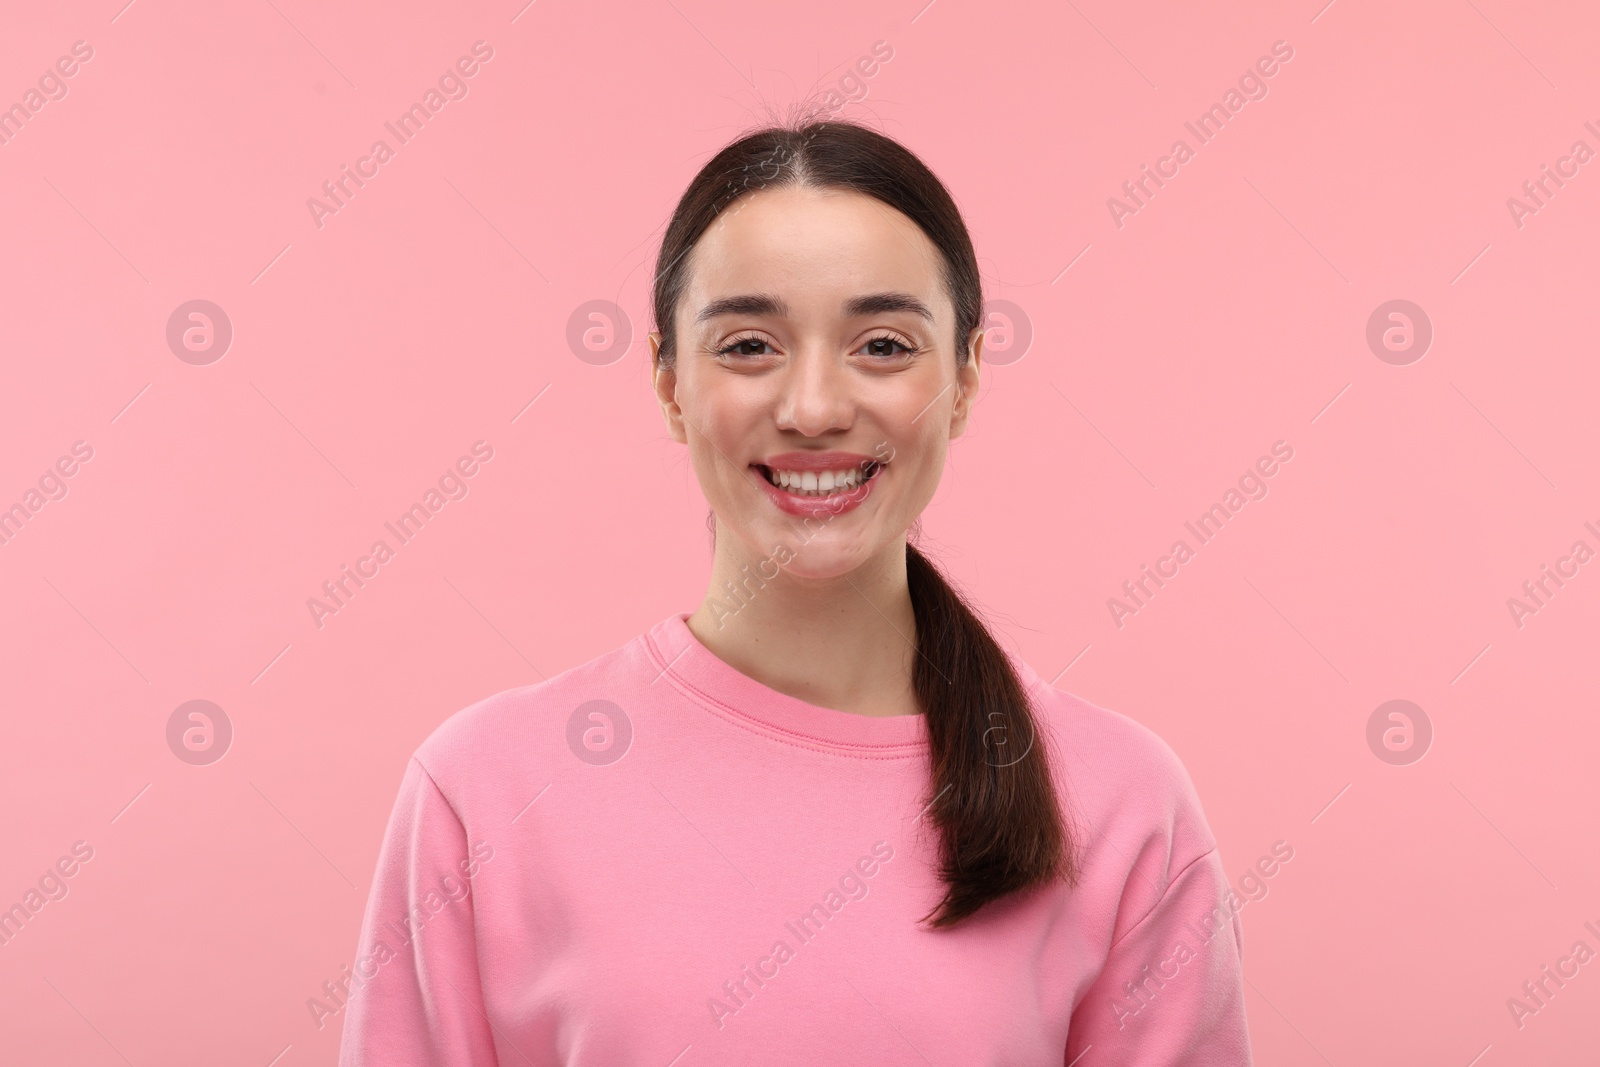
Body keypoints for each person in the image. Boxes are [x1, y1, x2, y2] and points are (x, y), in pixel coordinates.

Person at [337, 117, 1254, 1065]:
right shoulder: (486, 792)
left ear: (969, 376)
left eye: (885, 345)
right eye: (748, 345)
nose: (814, 407)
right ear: (667, 380)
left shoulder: (1122, 804)